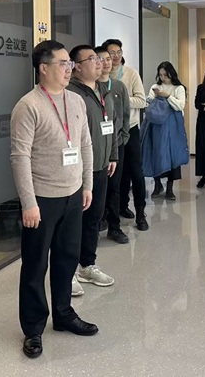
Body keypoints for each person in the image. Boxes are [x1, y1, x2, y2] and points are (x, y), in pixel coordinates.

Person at [11, 40, 98, 360]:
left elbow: (85, 144)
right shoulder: (28, 106)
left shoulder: (76, 100)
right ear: (43, 68)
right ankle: (33, 328)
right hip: (42, 200)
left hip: (73, 195)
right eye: (63, 63)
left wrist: (87, 184)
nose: (69, 69)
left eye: (70, 64)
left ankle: (63, 314)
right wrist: (28, 203)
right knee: (35, 265)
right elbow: (19, 157)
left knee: (66, 258)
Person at [67, 45, 119, 296]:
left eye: (99, 58)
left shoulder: (103, 91)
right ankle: (67, 273)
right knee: (73, 223)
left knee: (93, 220)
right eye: (92, 59)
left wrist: (112, 155)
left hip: (101, 166)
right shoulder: (71, 94)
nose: (99, 62)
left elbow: (112, 125)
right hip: (78, 171)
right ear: (76, 67)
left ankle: (87, 265)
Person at [103, 39, 149, 231]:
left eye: (118, 52)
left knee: (136, 172)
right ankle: (116, 210)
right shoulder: (101, 75)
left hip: (130, 128)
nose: (115, 56)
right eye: (111, 53)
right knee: (115, 174)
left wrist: (120, 99)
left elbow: (142, 101)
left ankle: (141, 213)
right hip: (110, 132)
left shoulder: (130, 73)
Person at [95, 46, 131, 244]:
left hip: (116, 144)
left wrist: (122, 138)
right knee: (98, 188)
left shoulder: (118, 86)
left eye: (108, 59)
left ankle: (114, 226)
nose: (106, 62)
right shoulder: (91, 88)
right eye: (101, 59)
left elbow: (124, 115)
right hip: (97, 146)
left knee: (114, 187)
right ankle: (98, 222)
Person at [146, 61, 188, 201]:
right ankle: (157, 184)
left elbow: (180, 106)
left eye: (165, 74)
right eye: (161, 75)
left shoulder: (179, 88)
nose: (163, 77)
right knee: (156, 152)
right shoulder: (155, 87)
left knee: (172, 154)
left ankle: (170, 188)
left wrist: (167, 96)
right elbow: (149, 102)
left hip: (173, 126)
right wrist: (156, 97)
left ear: (171, 73)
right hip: (156, 125)